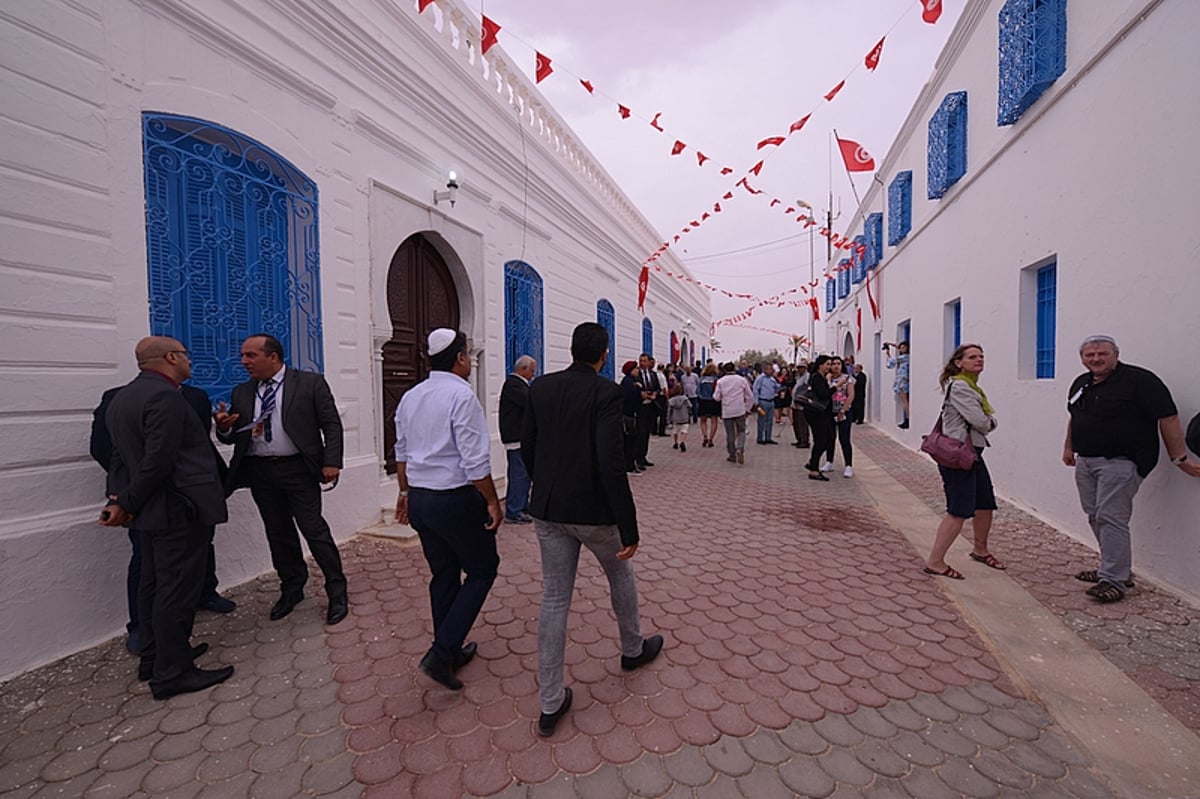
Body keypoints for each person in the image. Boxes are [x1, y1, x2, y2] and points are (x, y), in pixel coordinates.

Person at [521, 322, 664, 737]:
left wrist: (545, 484)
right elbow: (610, 460)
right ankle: (632, 649)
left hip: (549, 509)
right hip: (595, 513)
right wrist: (629, 524)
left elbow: (528, 446)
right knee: (620, 573)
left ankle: (550, 701)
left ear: (571, 350)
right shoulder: (606, 392)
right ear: (603, 355)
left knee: (553, 598)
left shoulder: (541, 388)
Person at [99, 337, 234, 700]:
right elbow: (159, 460)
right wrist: (127, 500)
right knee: (175, 590)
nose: (190, 362)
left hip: (149, 510)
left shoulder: (122, 397)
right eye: (186, 356)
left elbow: (120, 460)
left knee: (154, 584)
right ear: (171, 358)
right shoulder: (164, 397)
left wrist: (123, 499)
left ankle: (156, 658)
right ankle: (173, 674)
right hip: (177, 509)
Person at [394, 329, 503, 690]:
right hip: (454, 499)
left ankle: (451, 648)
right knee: (483, 570)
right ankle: (441, 654)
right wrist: (490, 500)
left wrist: (405, 494)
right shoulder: (461, 395)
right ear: (459, 358)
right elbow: (475, 461)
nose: (470, 361)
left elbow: (402, 453)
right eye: (468, 354)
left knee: (443, 573)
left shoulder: (411, 395)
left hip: (422, 499)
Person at [215, 334, 348, 626]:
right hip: (261, 471)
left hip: (299, 469)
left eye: (251, 355)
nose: (244, 361)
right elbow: (236, 436)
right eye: (243, 355)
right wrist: (223, 429)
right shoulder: (242, 392)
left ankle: (337, 591)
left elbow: (331, 423)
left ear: (272, 356)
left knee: (314, 530)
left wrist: (331, 461)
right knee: (278, 533)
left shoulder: (310, 383)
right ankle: (292, 587)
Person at [1062, 335, 1200, 602]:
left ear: (1115, 354)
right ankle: (1114, 569)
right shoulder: (1082, 383)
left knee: (1111, 517)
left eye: (1102, 354)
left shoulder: (1141, 381)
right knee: (1094, 514)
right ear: (1082, 359)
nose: (1096, 359)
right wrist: (1069, 448)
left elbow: (1168, 417)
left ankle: (1114, 581)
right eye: (1089, 356)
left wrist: (1179, 458)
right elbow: (1075, 417)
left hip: (1123, 462)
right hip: (1086, 461)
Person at [923, 344, 1002, 579]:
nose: (979, 360)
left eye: (981, 356)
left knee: (985, 503)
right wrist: (992, 422)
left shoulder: (972, 386)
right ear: (959, 362)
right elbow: (980, 421)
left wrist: (986, 420)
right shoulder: (961, 387)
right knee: (958, 510)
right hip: (959, 457)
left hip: (974, 454)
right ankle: (935, 561)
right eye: (972, 357)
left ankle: (980, 549)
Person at [499, 355, 536, 524]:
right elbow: (530, 403)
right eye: (532, 370)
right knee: (519, 474)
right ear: (523, 369)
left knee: (524, 473)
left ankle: (521, 504)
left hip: (522, 437)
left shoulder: (519, 385)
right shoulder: (514, 385)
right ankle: (514, 510)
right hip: (516, 437)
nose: (533, 374)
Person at [821, 357, 856, 478]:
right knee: (830, 437)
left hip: (844, 411)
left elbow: (851, 395)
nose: (836, 366)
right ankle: (829, 461)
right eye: (833, 364)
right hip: (830, 411)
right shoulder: (827, 378)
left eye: (838, 364)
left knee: (844, 438)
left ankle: (848, 465)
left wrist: (843, 410)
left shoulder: (847, 379)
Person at [803, 357, 836, 481]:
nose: (829, 367)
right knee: (821, 440)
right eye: (827, 364)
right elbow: (823, 394)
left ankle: (812, 462)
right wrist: (835, 387)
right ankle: (814, 470)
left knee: (828, 438)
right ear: (820, 365)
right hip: (816, 413)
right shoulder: (816, 377)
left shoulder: (821, 378)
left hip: (822, 414)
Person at [714, 362, 753, 464]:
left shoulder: (720, 381)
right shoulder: (742, 380)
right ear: (735, 369)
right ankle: (740, 448)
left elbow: (716, 397)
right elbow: (749, 396)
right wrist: (748, 408)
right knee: (741, 431)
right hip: (739, 409)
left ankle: (732, 454)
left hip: (727, 410)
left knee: (730, 433)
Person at [635, 354, 661, 468]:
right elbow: (633, 389)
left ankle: (644, 456)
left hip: (651, 406)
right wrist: (640, 394)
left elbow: (658, 388)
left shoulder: (653, 374)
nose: (642, 363)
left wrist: (655, 394)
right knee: (640, 433)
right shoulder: (636, 375)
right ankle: (638, 458)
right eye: (641, 361)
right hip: (640, 407)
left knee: (647, 433)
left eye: (644, 361)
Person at [619, 361, 645, 474]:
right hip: (628, 415)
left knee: (631, 441)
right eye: (636, 369)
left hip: (629, 414)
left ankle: (630, 464)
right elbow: (632, 398)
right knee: (631, 441)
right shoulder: (628, 382)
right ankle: (629, 466)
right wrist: (640, 392)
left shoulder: (631, 381)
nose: (638, 371)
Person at [752, 363, 780, 445]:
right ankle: (760, 438)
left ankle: (768, 438)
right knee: (761, 421)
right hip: (763, 401)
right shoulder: (760, 378)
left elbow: (776, 387)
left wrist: (780, 387)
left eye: (771, 369)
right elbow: (755, 389)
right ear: (765, 369)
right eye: (769, 369)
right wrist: (756, 402)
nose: (771, 371)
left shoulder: (772, 379)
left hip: (771, 401)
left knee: (770, 421)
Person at [884, 341, 910, 428]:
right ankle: (907, 418)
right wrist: (892, 345)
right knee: (905, 401)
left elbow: (890, 363)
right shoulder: (906, 357)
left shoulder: (904, 357)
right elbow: (899, 347)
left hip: (902, 381)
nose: (901, 349)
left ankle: (908, 419)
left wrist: (888, 353)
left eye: (904, 347)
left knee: (905, 401)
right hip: (903, 380)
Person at [696, 364, 721, 448]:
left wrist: (701, 398)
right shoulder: (716, 380)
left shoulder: (701, 380)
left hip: (703, 401)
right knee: (714, 421)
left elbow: (697, 391)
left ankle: (705, 436)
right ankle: (711, 438)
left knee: (703, 420)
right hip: (714, 401)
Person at [791, 363, 811, 449]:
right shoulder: (798, 377)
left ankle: (804, 441)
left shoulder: (807, 377)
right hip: (795, 403)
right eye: (799, 368)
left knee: (802, 423)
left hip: (802, 403)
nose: (800, 370)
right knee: (796, 423)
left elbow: (806, 389)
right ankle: (799, 439)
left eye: (802, 368)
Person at [667, 384, 691, 452]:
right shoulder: (685, 399)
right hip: (684, 417)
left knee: (675, 431)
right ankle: (682, 441)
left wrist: (669, 419)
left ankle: (675, 442)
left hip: (675, 418)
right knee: (684, 430)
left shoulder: (671, 400)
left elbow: (669, 411)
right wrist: (689, 414)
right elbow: (690, 406)